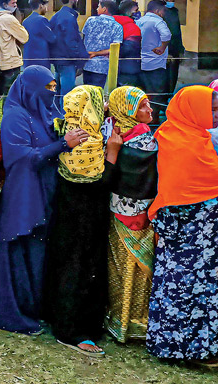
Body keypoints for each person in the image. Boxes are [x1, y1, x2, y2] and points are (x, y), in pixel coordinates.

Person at [0, 66, 88, 335]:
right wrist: (62, 145)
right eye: (47, 88)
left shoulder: (47, 112)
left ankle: (35, 310)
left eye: (54, 87)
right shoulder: (15, 117)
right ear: (31, 88)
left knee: (37, 253)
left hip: (45, 189)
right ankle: (15, 316)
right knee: (20, 252)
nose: (53, 92)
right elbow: (22, 157)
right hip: (23, 193)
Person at [147, 85, 218, 367]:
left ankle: (189, 347)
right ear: (193, 111)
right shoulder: (178, 142)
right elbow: (178, 187)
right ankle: (185, 350)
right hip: (187, 233)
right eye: (210, 110)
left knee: (196, 289)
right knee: (186, 289)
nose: (215, 116)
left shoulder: (196, 138)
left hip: (199, 235)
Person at [47, 85, 109, 356]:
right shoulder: (86, 140)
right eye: (100, 101)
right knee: (79, 267)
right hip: (83, 218)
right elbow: (98, 183)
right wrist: (114, 156)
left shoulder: (65, 128)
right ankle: (73, 331)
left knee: (69, 264)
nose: (104, 104)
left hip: (70, 215)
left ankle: (61, 319)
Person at [100, 86, 157, 344]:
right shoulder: (146, 143)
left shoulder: (111, 133)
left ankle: (120, 320)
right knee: (127, 268)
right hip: (135, 216)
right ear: (127, 109)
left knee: (124, 267)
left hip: (123, 214)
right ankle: (133, 323)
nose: (150, 110)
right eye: (143, 106)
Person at [0, 0, 29, 127]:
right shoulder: (8, 19)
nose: (15, 5)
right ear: (5, 4)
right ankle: (8, 121)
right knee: (10, 93)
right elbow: (24, 37)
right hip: (10, 59)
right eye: (13, 3)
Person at [49, 0, 88, 101]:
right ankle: (65, 116)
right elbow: (71, 41)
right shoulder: (69, 18)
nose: (77, 0)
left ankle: (54, 115)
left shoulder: (56, 16)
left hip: (57, 60)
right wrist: (78, 59)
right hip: (67, 60)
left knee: (56, 90)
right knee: (67, 94)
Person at [137, 0, 172, 122]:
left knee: (144, 91)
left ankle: (143, 117)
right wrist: (163, 47)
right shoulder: (158, 21)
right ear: (157, 11)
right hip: (156, 63)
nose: (164, 13)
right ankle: (154, 118)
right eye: (163, 10)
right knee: (157, 92)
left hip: (141, 62)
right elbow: (167, 35)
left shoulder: (139, 21)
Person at [81, 0, 123, 89]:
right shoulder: (117, 26)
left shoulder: (90, 20)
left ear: (104, 9)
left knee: (86, 93)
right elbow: (115, 48)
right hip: (102, 66)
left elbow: (83, 39)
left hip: (87, 63)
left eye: (98, 6)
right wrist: (96, 53)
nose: (96, 9)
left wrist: (90, 53)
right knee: (97, 95)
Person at [157, 0, 183, 95]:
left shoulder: (175, 11)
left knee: (173, 77)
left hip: (175, 49)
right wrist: (164, 51)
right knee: (164, 79)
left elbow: (177, 31)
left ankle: (169, 98)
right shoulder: (159, 12)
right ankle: (162, 103)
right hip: (164, 50)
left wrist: (181, 50)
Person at [21, 0, 54, 70]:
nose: (46, 9)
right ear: (40, 6)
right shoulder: (42, 20)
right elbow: (52, 38)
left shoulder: (25, 21)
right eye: (45, 6)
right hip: (41, 59)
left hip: (28, 58)